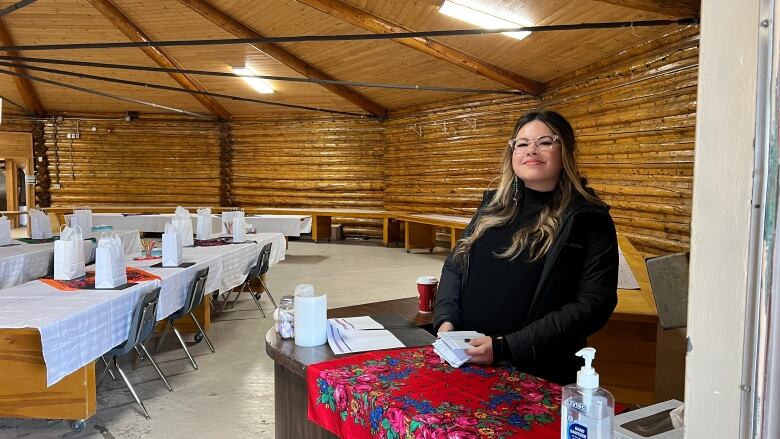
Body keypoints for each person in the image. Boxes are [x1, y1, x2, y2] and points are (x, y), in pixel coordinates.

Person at [433, 110, 619, 385]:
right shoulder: (492, 206)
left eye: (545, 142)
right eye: (522, 143)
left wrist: (506, 346)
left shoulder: (588, 217)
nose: (531, 150)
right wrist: (446, 320)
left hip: (535, 369)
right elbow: (455, 264)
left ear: (565, 150)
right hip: (467, 359)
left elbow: (593, 304)